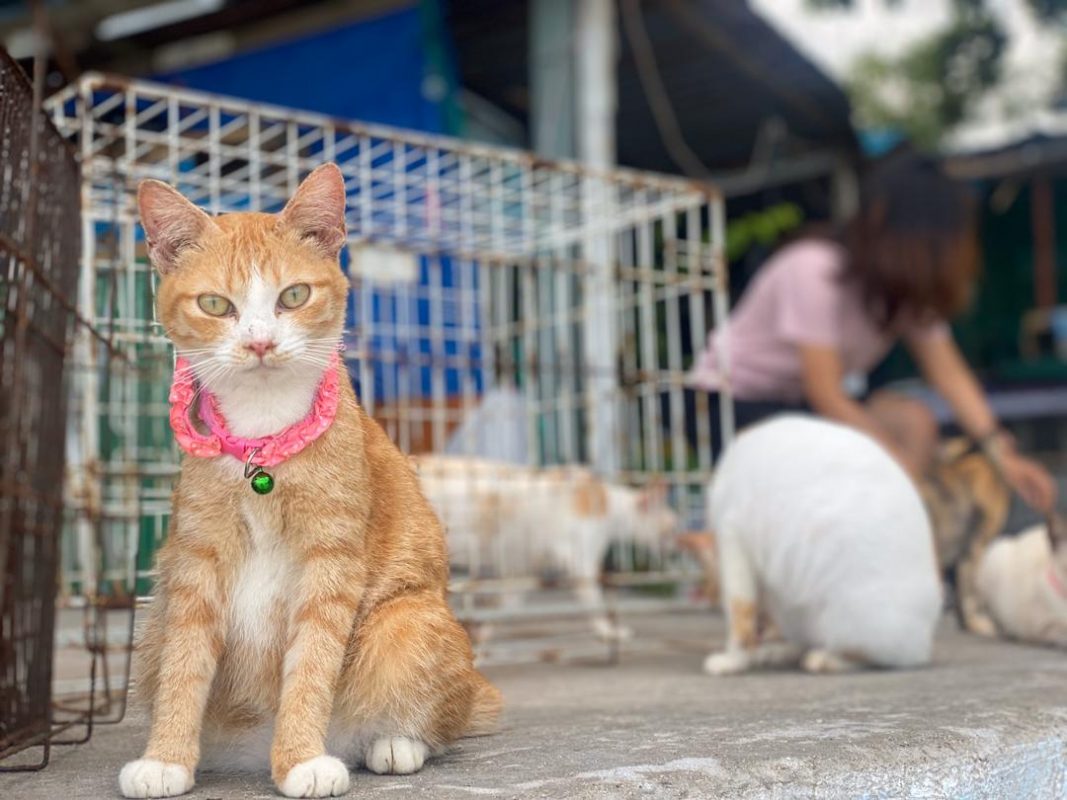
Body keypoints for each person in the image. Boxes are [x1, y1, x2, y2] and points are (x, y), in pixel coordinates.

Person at [687, 149, 1057, 513]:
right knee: (848, 457)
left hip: (797, 407)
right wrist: (902, 472)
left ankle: (895, 531)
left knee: (912, 421)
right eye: (936, 243)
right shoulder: (813, 269)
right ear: (883, 220)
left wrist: (1002, 454)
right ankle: (889, 527)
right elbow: (827, 394)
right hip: (726, 402)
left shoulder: (903, 294)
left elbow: (950, 374)